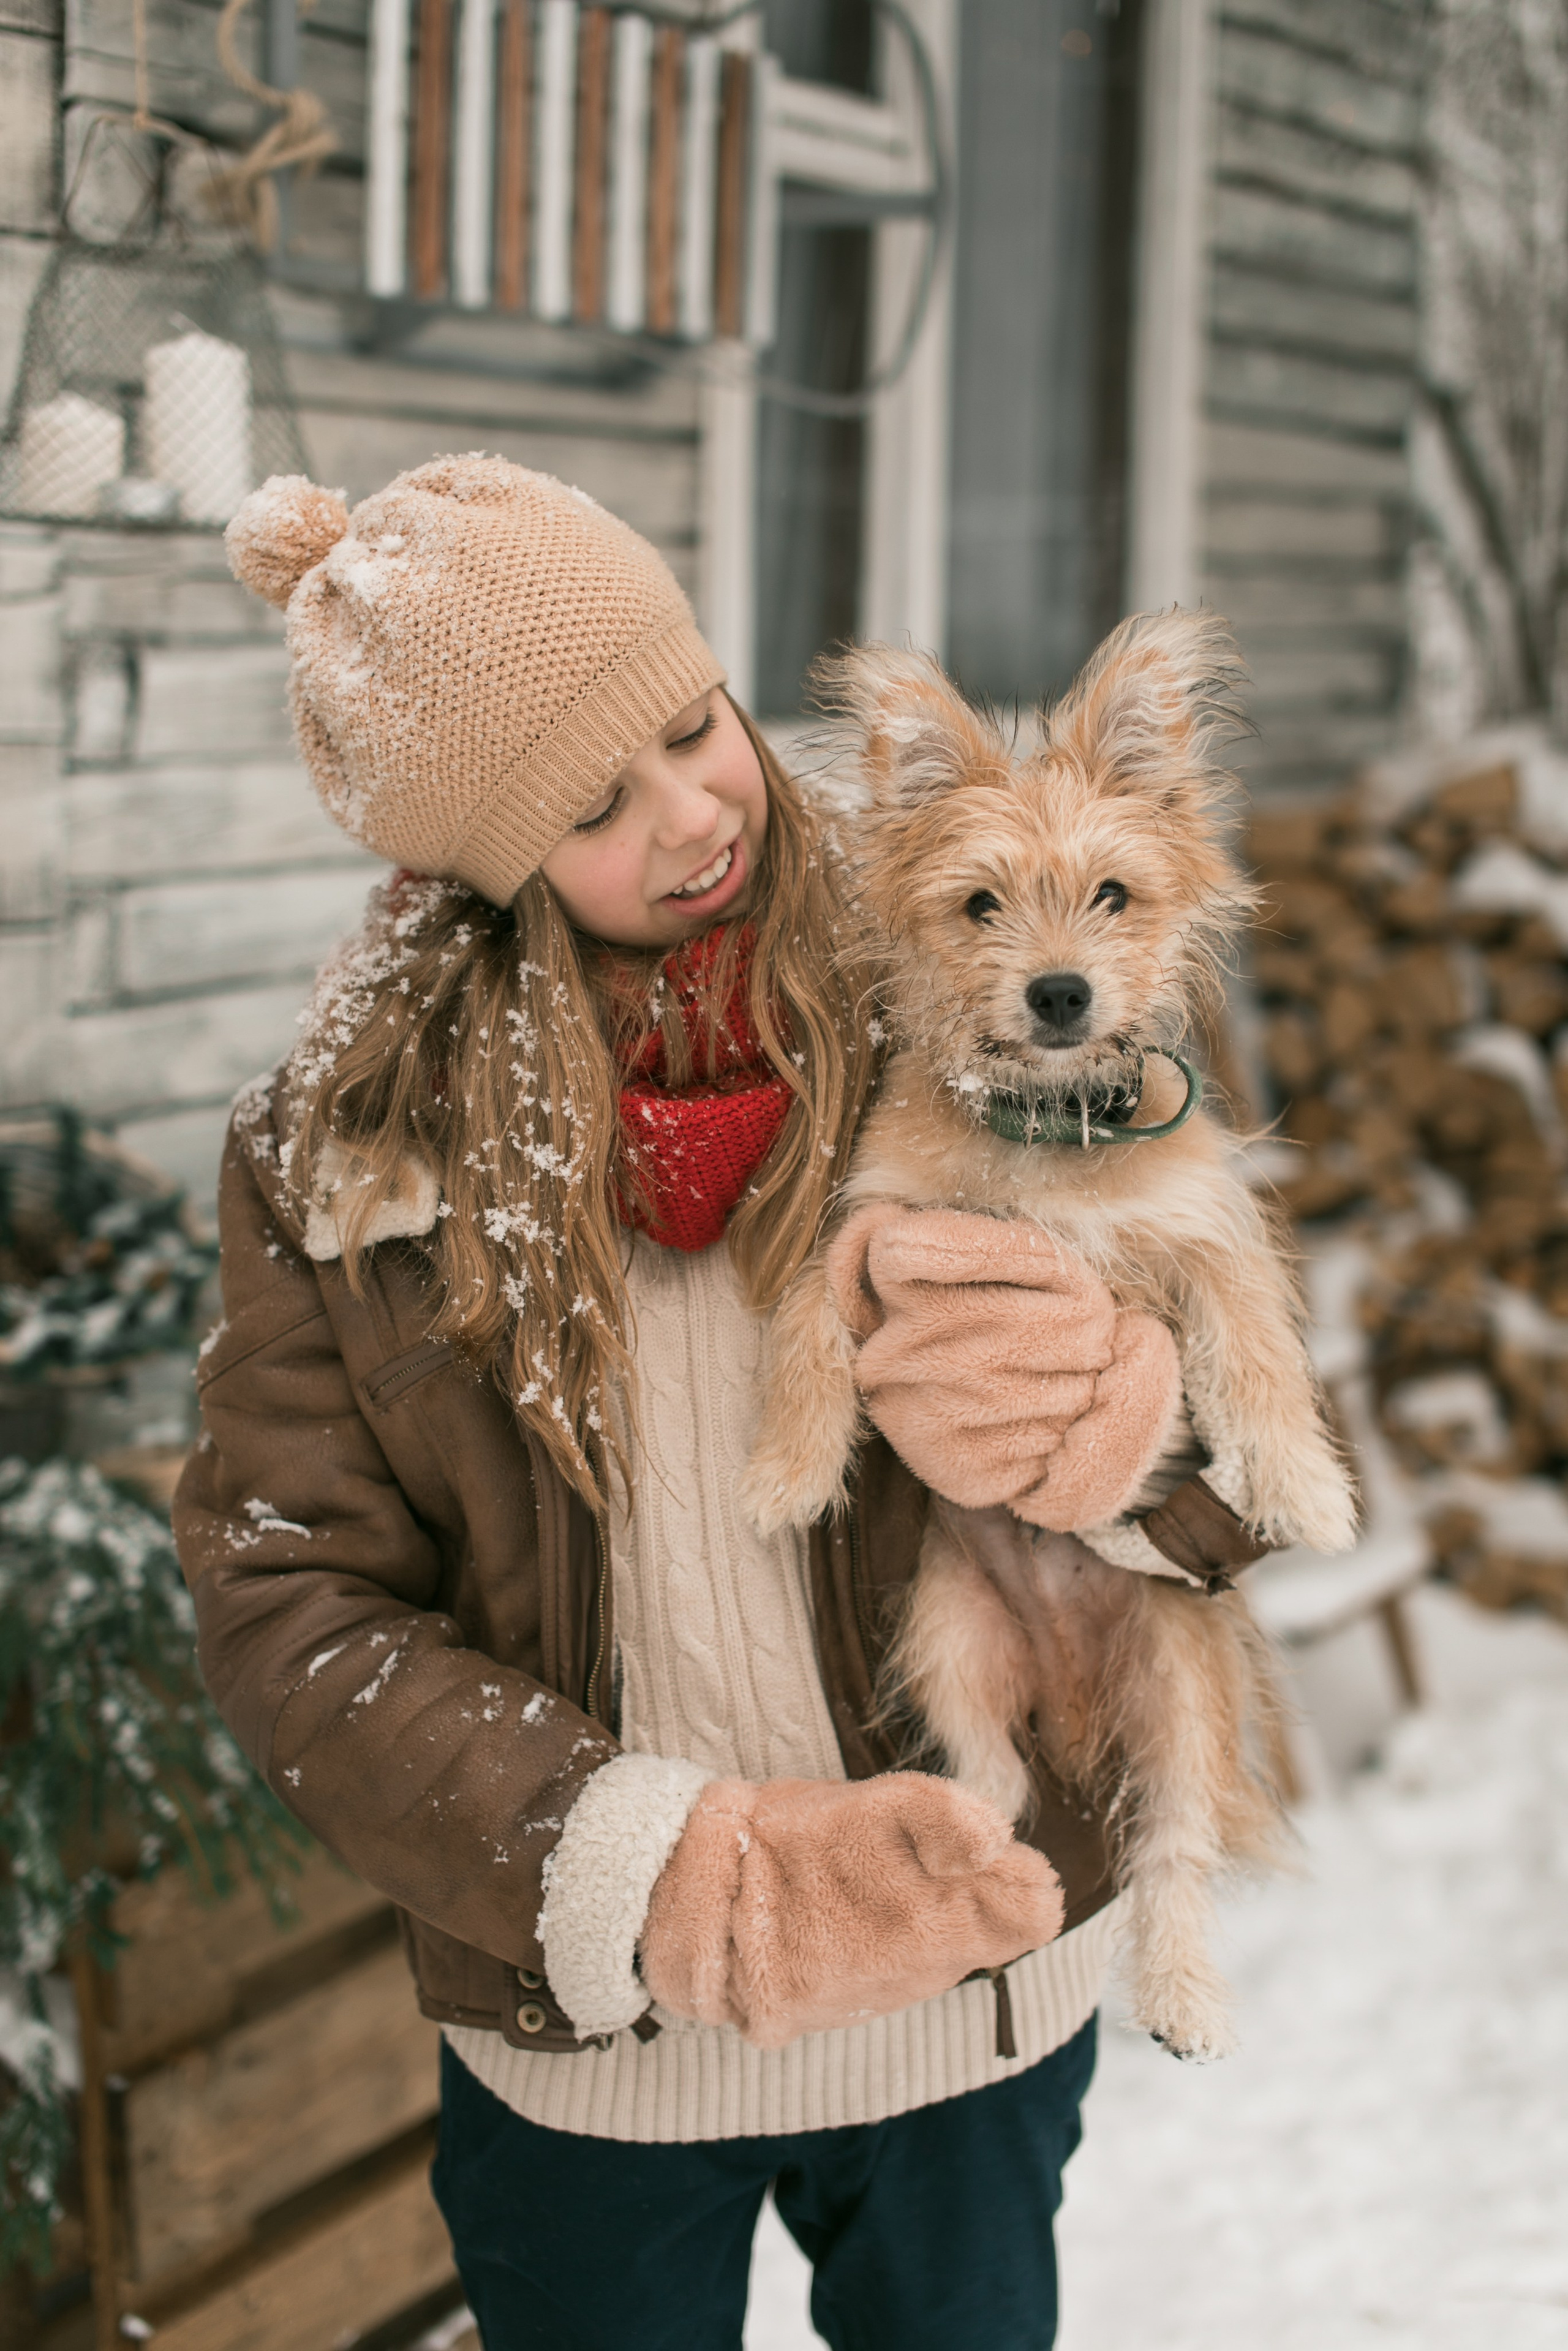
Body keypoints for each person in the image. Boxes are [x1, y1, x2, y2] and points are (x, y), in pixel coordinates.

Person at [178, 458, 1231, 2351]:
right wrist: (641, 1862)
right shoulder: (348, 1159)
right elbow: (289, 1605)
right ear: (479, 857)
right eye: (592, 803)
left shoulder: (987, 964)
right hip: (600, 2037)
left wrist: (1130, 1434)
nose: (690, 817)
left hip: (970, 1994)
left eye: (692, 725)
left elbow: (1244, 1464)